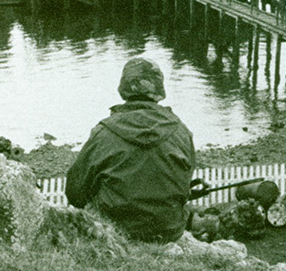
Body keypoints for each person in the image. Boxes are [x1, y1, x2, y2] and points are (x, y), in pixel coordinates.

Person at [64, 58, 197, 244]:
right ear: (159, 90)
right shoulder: (181, 131)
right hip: (168, 230)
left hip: (115, 228)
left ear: (124, 88)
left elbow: (75, 192)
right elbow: (184, 183)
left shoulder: (104, 131)